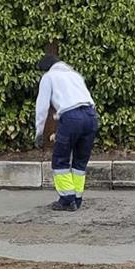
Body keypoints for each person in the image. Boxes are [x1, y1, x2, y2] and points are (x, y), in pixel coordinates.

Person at [34, 53, 99, 211]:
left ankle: (67, 200)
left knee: (60, 160)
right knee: (80, 161)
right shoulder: (75, 75)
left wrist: (39, 132)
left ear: (46, 68)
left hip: (71, 118)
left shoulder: (49, 77)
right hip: (91, 116)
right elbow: (79, 100)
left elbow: (42, 107)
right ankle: (77, 198)